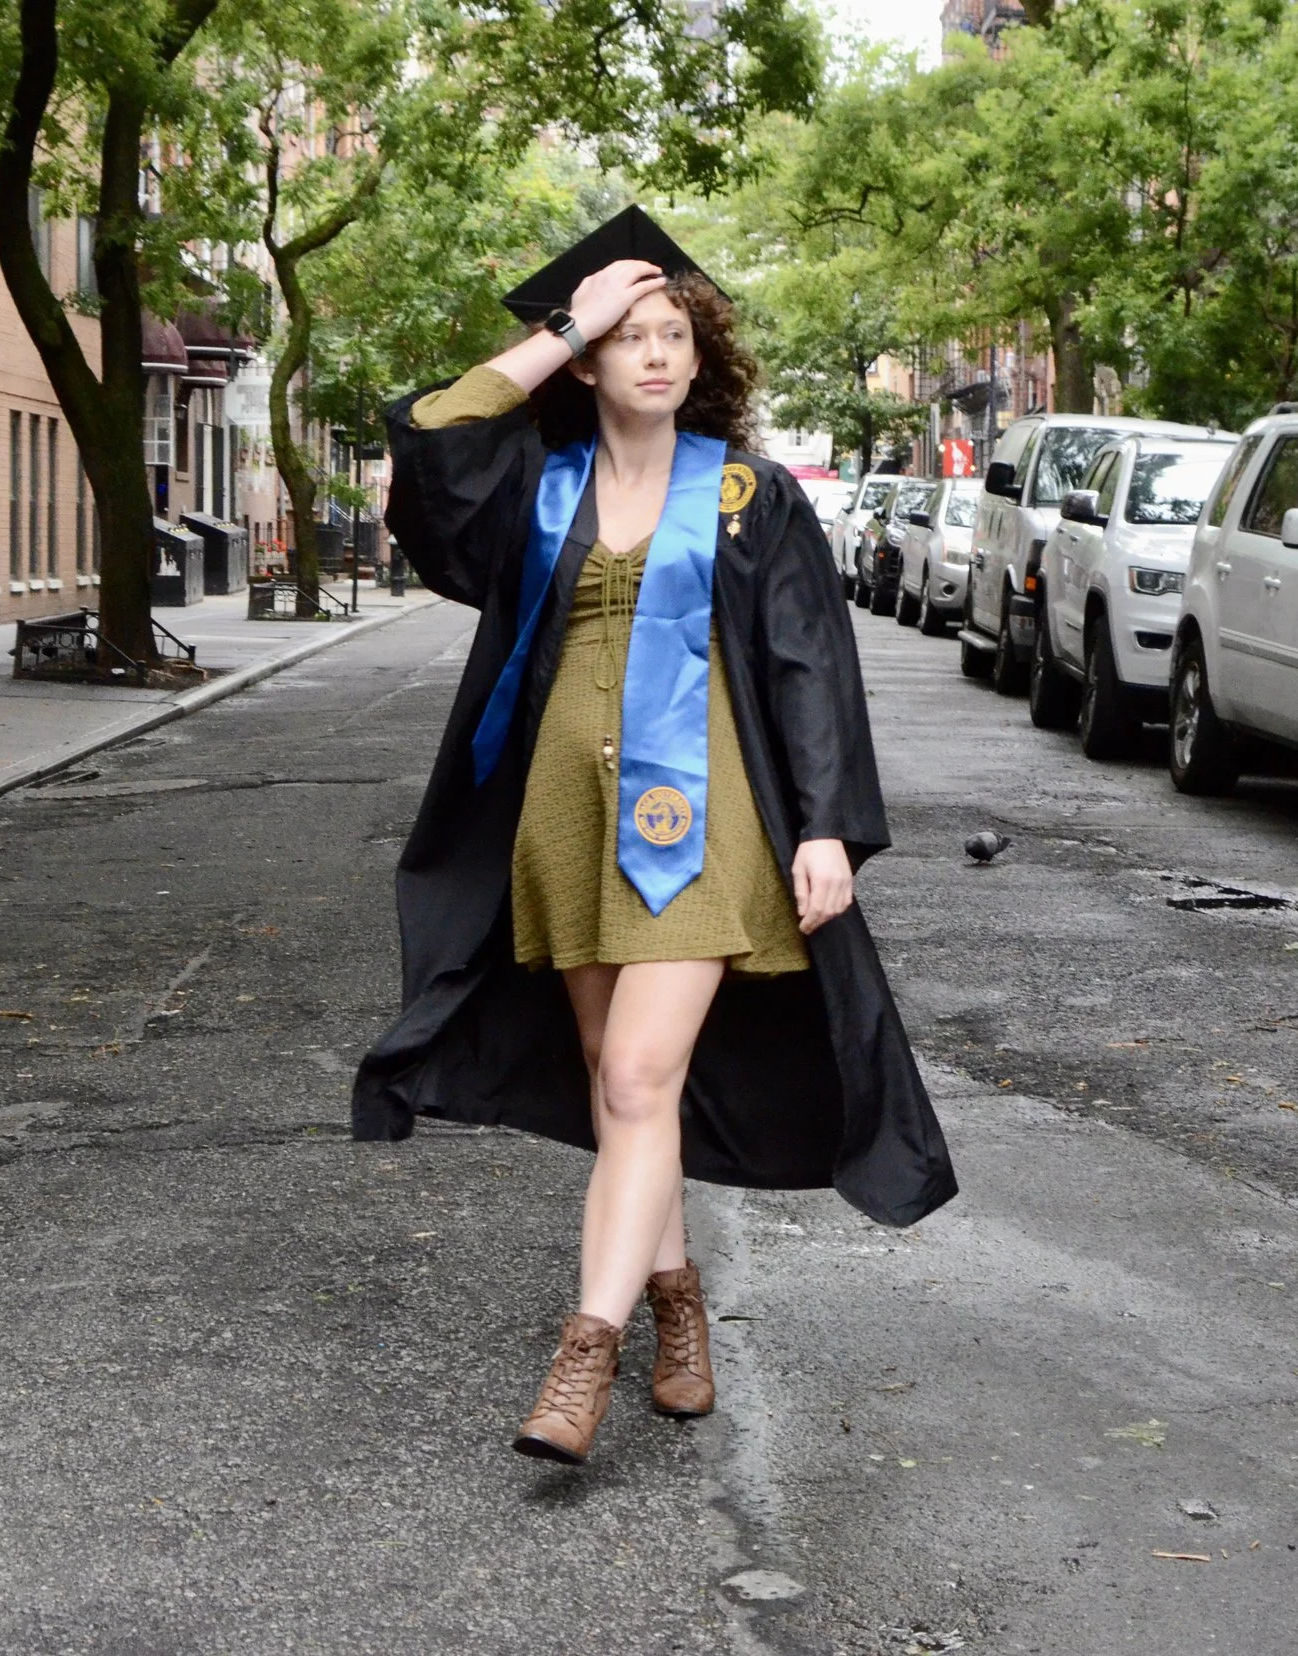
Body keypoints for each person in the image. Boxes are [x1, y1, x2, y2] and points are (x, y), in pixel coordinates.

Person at [354, 207, 956, 1465]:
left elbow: (810, 665)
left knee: (634, 1077)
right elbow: (434, 437)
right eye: (626, 337)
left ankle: (585, 1354)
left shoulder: (747, 497)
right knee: (618, 1078)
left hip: (706, 826)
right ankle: (679, 1307)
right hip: (564, 821)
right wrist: (559, 325)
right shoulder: (540, 490)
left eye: (673, 333)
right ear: (585, 360)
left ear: (701, 355)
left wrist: (827, 828)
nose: (654, 354)